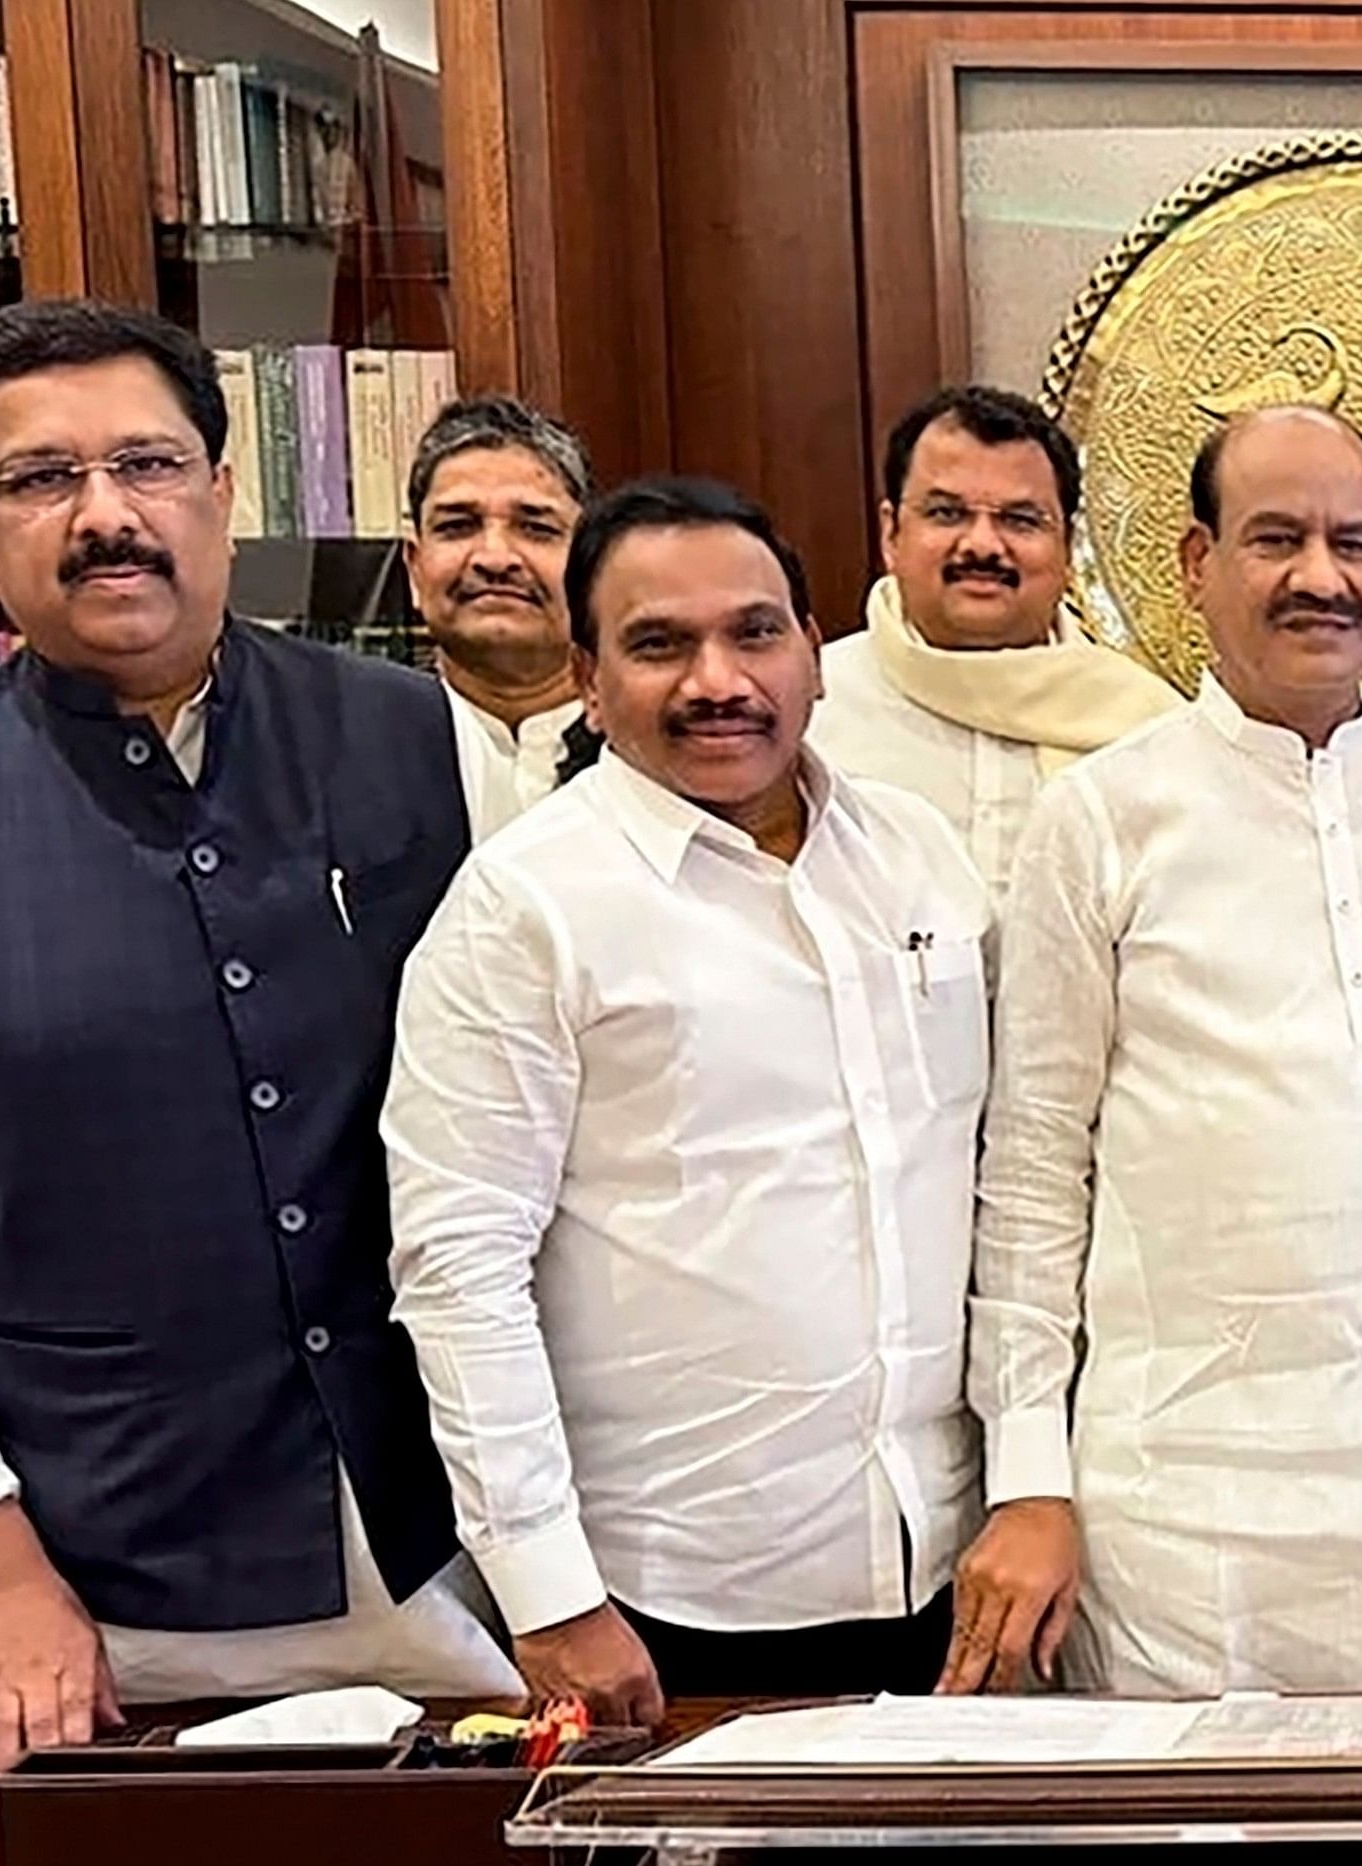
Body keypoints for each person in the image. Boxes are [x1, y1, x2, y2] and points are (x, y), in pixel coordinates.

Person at [0, 300, 515, 1788]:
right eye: (43, 481)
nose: (107, 516)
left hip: (454, 1555)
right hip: (95, 1597)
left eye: (148, 464)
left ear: (223, 497)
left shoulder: (431, 745)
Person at [959, 404, 1362, 1697]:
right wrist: (1031, 1478)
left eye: (1353, 543)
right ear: (1198, 563)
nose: (1320, 576)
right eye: (1277, 538)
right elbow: (1034, 1170)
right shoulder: (1100, 819)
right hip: (1188, 1514)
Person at [383, 477, 1001, 1719]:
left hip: (943, 1562)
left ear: (815, 654)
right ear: (590, 678)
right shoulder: (524, 907)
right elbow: (458, 1269)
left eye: (755, 632)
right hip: (673, 1605)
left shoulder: (921, 856)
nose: (719, 679)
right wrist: (551, 1596)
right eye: (660, 644)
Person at [810, 384, 1182, 901]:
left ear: (1067, 550)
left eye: (1020, 520)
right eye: (946, 513)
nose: (983, 545)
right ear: (891, 534)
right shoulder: (807, 713)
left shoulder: (1150, 728)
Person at [404, 394, 594, 810]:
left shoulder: (652, 753)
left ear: (591, 564)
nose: (494, 559)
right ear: (415, 568)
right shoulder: (351, 749)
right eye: (458, 526)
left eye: (535, 528)